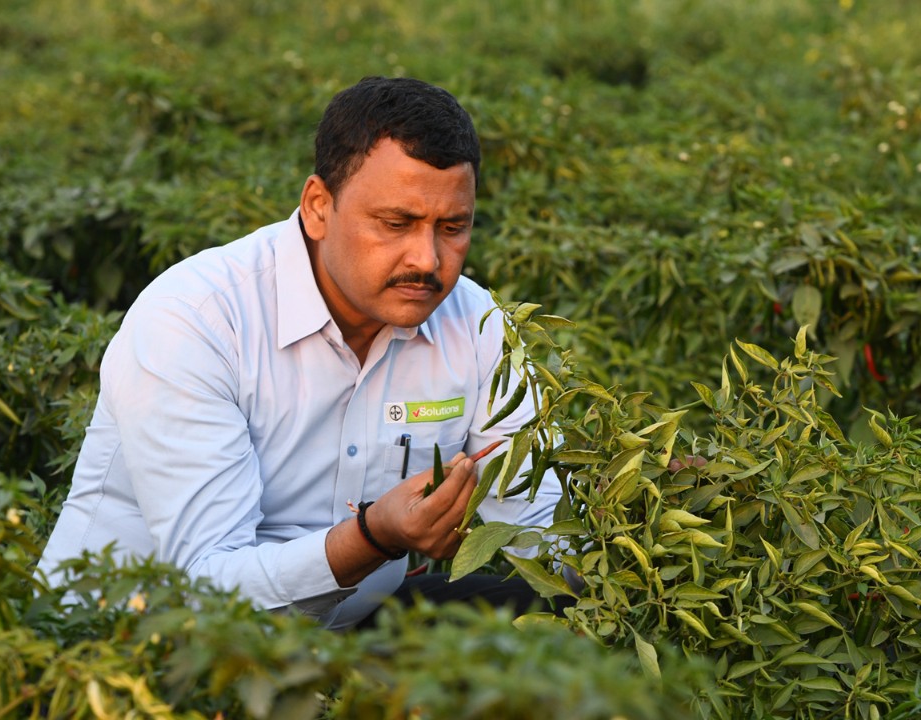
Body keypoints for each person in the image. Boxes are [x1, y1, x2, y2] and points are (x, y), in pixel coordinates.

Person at [38, 76, 563, 629]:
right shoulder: (197, 319)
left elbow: (538, 520)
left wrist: (632, 526)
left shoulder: (476, 323)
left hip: (346, 627)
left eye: (452, 227)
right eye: (395, 223)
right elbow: (206, 588)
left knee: (546, 613)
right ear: (318, 206)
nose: (428, 260)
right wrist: (373, 536)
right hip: (147, 642)